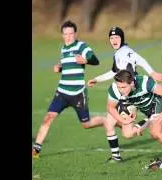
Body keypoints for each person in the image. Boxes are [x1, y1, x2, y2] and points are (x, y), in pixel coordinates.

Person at [87, 26, 162, 162]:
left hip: (130, 94)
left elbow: (139, 59)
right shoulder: (117, 54)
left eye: (117, 37)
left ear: (122, 38)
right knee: (117, 127)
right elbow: (114, 72)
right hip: (123, 94)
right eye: (111, 38)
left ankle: (149, 120)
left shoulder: (125, 51)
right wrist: (97, 79)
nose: (114, 40)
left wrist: (152, 72)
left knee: (119, 128)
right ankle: (117, 156)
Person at [32, 20, 106, 158]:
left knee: (86, 124)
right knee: (48, 117)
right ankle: (36, 149)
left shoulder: (81, 46)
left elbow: (95, 60)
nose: (68, 36)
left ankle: (105, 120)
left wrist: (86, 61)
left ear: (75, 34)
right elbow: (68, 66)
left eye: (71, 34)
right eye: (66, 34)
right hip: (62, 92)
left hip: (78, 93)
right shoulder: (63, 49)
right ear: (62, 35)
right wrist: (59, 68)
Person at [105, 70, 162, 168]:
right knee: (127, 134)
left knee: (156, 132)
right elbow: (110, 107)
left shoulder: (145, 82)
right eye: (119, 87)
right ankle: (148, 121)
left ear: (132, 83)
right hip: (140, 107)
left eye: (123, 87)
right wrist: (123, 120)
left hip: (157, 103)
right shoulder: (115, 89)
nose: (121, 90)